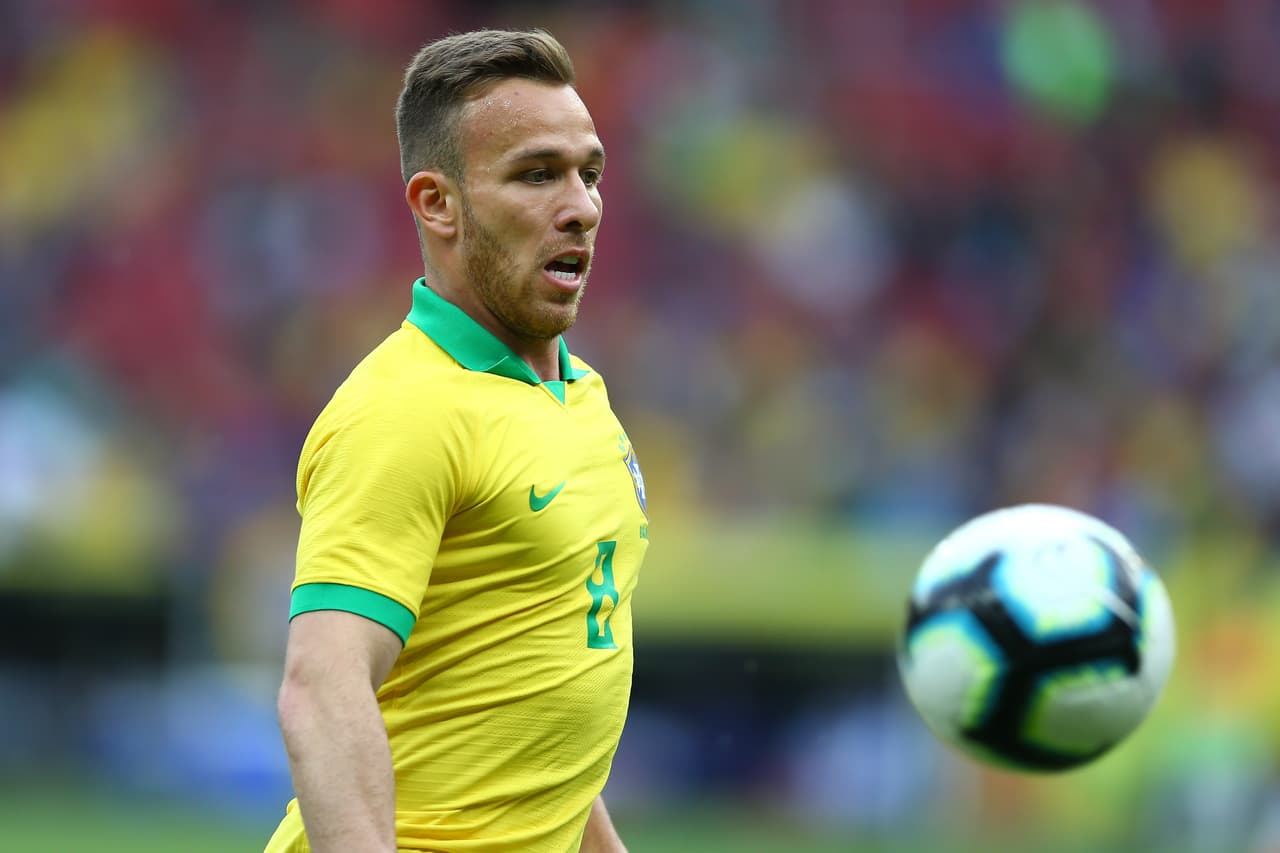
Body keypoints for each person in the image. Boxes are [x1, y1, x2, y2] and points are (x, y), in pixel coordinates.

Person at [264, 28, 649, 853]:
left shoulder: (582, 397)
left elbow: (530, 713)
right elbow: (321, 687)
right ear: (438, 203)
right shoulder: (404, 409)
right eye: (536, 174)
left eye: (588, 173)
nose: (581, 206)